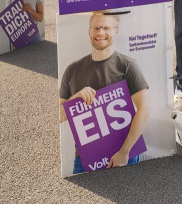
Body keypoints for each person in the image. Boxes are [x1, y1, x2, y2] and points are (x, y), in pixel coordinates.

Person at [59, 11, 149, 174]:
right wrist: (75, 97)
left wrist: (124, 152)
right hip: (85, 158)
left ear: (116, 31)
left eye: (106, 28)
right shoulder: (72, 70)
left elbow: (143, 110)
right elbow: (59, 115)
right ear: (89, 31)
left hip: (124, 154)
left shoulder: (128, 65)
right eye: (96, 28)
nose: (100, 33)